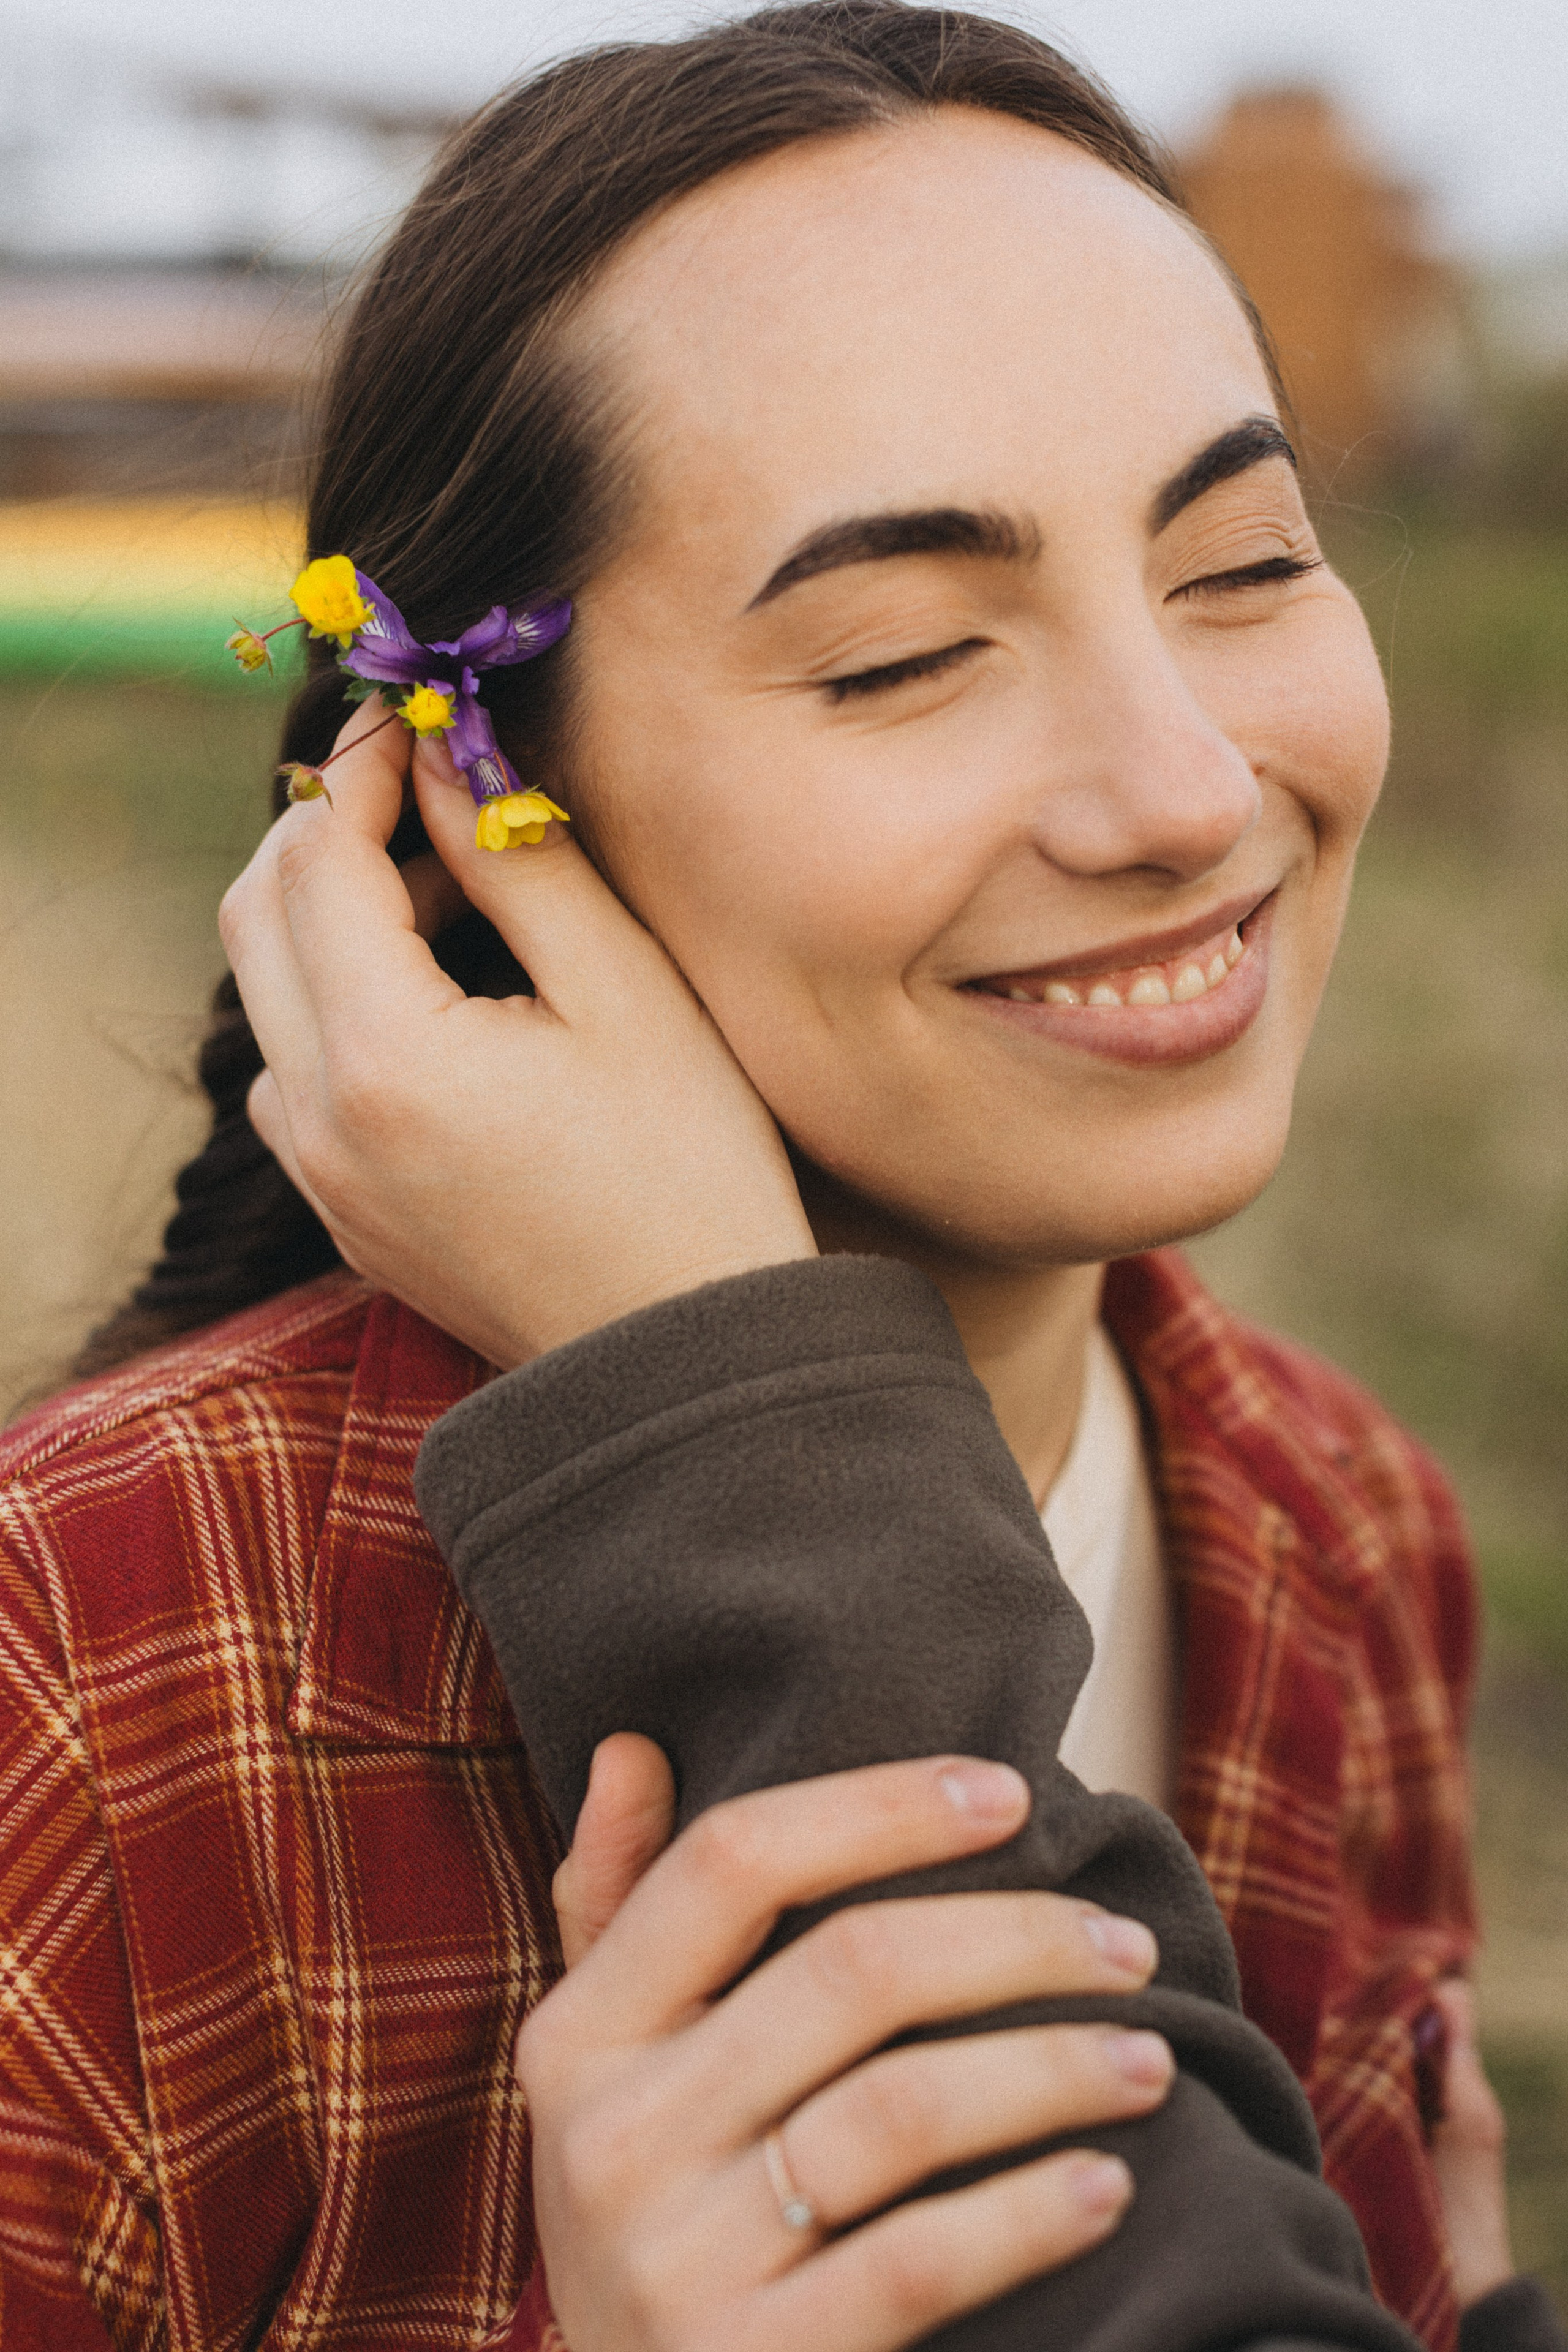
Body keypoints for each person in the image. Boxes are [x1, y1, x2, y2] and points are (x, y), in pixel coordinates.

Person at [1, 6, 1555, 2350]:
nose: (1180, 788)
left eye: (1241, 561)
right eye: (909, 653)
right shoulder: (95, 1686)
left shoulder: (1351, 1534)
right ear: (469, 792)